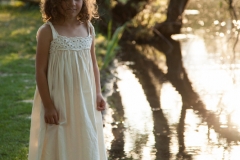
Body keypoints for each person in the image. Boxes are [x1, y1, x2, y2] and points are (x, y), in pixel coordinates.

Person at [28, 0, 108, 159]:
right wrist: (49, 106)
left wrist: (98, 93)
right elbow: (40, 71)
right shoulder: (48, 31)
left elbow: (93, 64)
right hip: (58, 100)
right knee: (58, 136)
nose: (71, 3)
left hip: (84, 99)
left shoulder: (88, 28)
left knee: (83, 135)